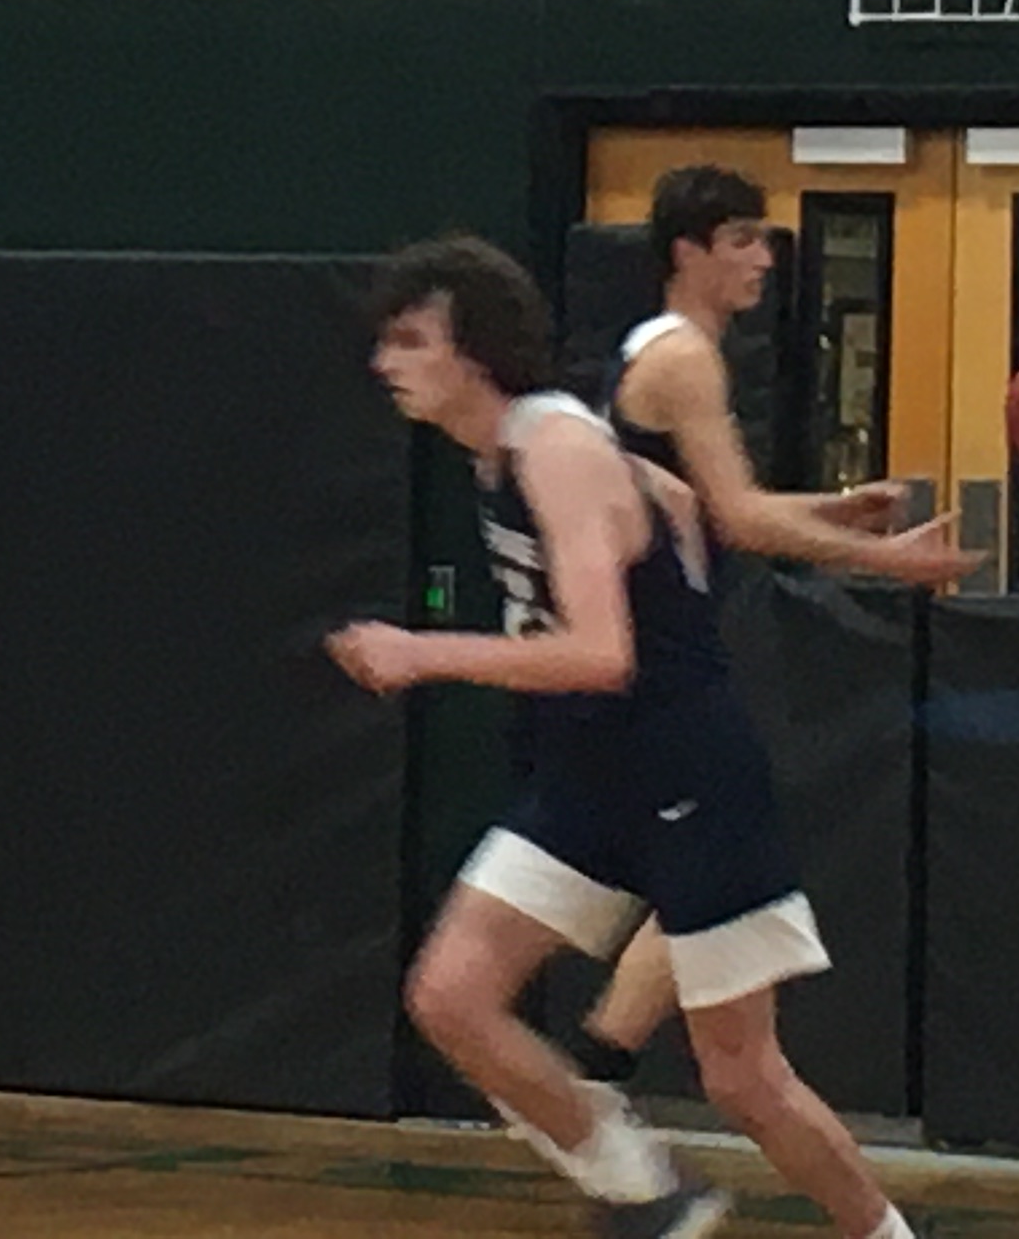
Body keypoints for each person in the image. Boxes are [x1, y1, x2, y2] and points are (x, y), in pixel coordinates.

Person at [333, 235, 965, 1239]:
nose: (385, 362)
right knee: (450, 996)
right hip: (591, 775)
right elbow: (677, 500)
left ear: (476, 349)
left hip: (683, 769)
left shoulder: (555, 451)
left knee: (744, 1078)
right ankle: (648, 1193)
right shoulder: (517, 447)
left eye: (411, 340)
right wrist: (823, 521)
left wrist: (422, 652)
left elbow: (601, 654)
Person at [571, 167, 941, 1085]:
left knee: (705, 870)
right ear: (686, 251)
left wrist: (834, 511)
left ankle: (596, 1068)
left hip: (650, 652)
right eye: (741, 239)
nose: (765, 258)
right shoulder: (684, 360)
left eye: (765, 238)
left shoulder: (656, 349)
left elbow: (714, 502)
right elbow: (737, 520)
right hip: (658, 661)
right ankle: (587, 1075)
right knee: (716, 868)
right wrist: (887, 560)